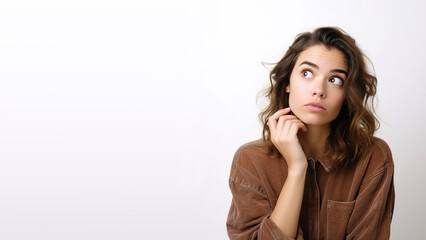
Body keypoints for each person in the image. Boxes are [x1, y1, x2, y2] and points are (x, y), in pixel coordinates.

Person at [226, 27, 395, 240]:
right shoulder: (250, 160)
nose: (319, 90)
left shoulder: (372, 157)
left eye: (335, 79)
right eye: (307, 73)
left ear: (347, 93)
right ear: (287, 83)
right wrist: (297, 169)